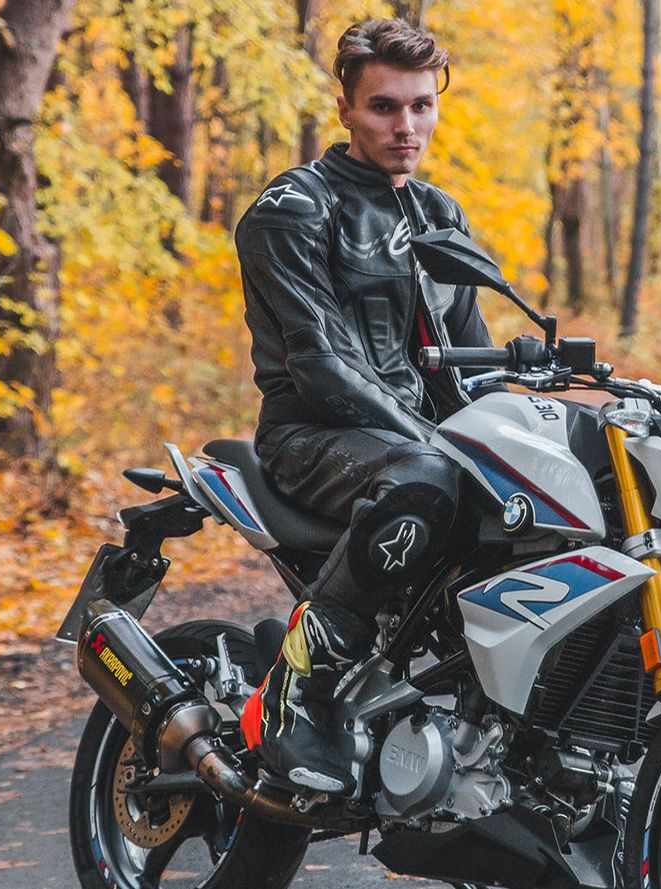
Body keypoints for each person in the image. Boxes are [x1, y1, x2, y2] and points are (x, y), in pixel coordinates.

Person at [232, 18, 495, 795]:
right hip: (314, 434)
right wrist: (440, 446)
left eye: (420, 106)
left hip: (414, 441)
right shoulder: (292, 209)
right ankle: (297, 690)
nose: (405, 127)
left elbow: (476, 365)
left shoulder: (441, 215)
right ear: (344, 106)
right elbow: (323, 366)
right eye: (384, 107)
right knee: (426, 475)